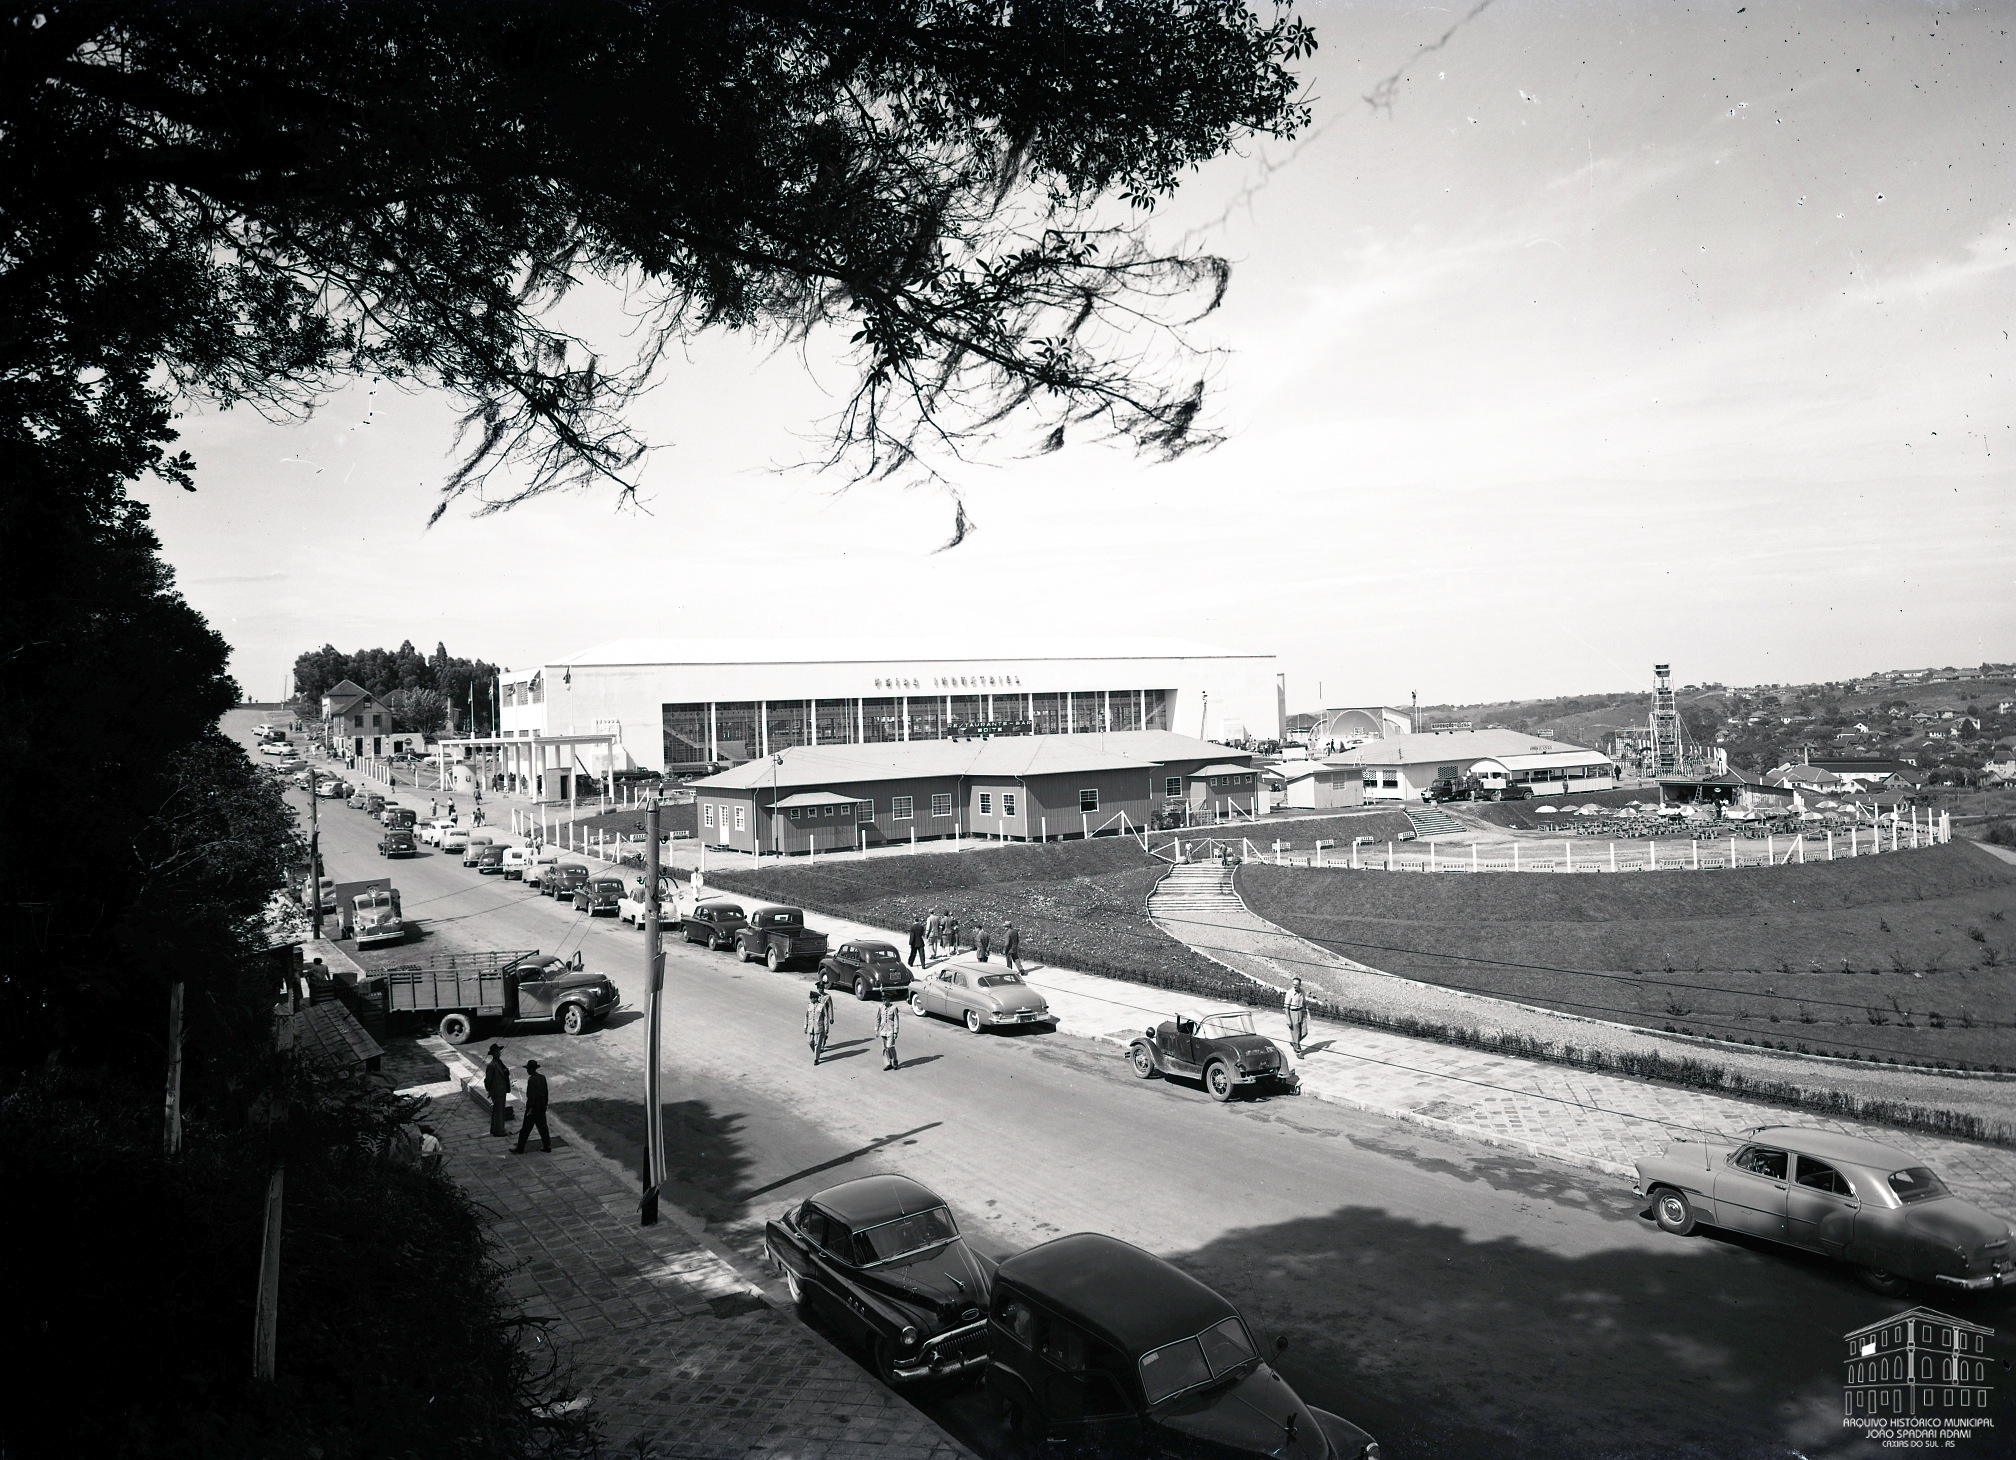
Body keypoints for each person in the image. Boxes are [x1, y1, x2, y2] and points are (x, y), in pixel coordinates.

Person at [512, 1058, 550, 1153]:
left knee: (525, 1129)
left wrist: (529, 1109)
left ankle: (520, 1148)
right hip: (541, 1106)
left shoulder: (532, 1080)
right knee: (543, 1127)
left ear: (530, 1069)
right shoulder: (542, 1077)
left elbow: (531, 1096)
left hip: (533, 1108)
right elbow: (546, 1093)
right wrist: (545, 1105)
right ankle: (547, 1146)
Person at [483, 1043, 512, 1136]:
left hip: (502, 1090)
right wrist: (490, 1091)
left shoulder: (499, 1063)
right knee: (499, 1111)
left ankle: (495, 1129)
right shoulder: (492, 1065)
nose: (498, 1053)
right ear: (493, 1053)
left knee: (498, 1110)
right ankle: (499, 1130)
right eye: (496, 1052)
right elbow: (487, 1080)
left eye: (499, 1051)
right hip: (497, 1091)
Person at [806, 985, 835, 1064]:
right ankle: (817, 1051)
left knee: (817, 1043)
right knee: (810, 1042)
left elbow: (829, 1008)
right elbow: (807, 1015)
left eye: (821, 988)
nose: (820, 989)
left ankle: (816, 1058)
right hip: (812, 1025)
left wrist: (831, 1018)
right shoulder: (810, 1004)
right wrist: (805, 1026)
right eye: (819, 988)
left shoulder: (827, 997)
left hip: (820, 1024)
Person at [1283, 976, 1308, 1058]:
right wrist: (1288, 1019)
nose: (1295, 986)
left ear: (1300, 985)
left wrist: (1307, 1012)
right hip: (1293, 1012)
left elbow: (1304, 1002)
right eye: (1293, 984)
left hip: (1301, 1012)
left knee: (1304, 1032)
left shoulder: (1302, 991)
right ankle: (1298, 1052)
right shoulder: (1290, 993)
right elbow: (1286, 1007)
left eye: (1296, 985)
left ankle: (1294, 1042)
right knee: (1296, 1033)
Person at [876, 998, 901, 1070]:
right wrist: (876, 1029)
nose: (883, 1001)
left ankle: (894, 1060)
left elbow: (896, 1021)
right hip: (883, 1030)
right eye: (883, 1000)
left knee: (890, 1046)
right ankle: (888, 1063)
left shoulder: (893, 1008)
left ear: (889, 1000)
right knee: (884, 1048)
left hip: (891, 1031)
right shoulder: (881, 1007)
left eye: (885, 1000)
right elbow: (878, 1019)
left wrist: (896, 1032)